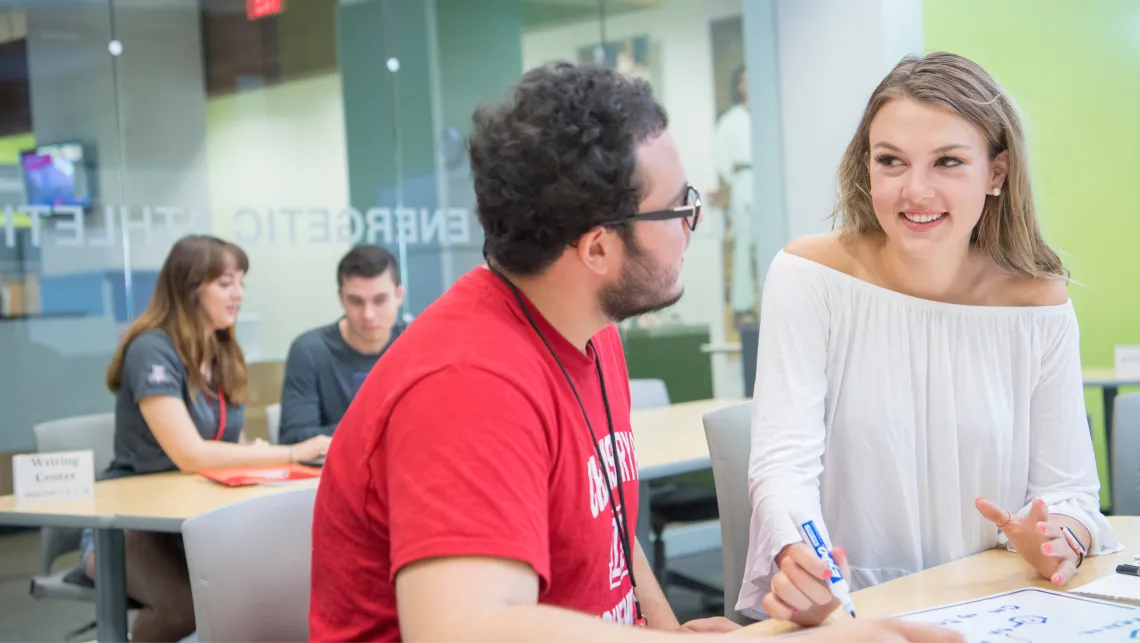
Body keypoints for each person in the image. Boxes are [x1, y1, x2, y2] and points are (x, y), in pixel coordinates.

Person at [308, 62, 959, 643]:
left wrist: (667, 626)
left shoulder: (588, 326)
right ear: (596, 248)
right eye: (677, 208)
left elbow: (607, 530)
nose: (692, 225)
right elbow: (463, 627)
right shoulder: (469, 383)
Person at [739, 51, 1120, 625]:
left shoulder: (1038, 303)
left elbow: (1069, 493)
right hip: (848, 611)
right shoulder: (808, 277)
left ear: (997, 172)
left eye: (947, 162)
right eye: (890, 161)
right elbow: (783, 469)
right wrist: (802, 559)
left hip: (993, 604)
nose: (915, 191)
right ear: (865, 167)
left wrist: (1057, 537)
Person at [81, 235, 330, 642]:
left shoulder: (221, 351)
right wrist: (290, 452)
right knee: (184, 608)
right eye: (226, 283)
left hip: (192, 517)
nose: (239, 294)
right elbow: (190, 454)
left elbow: (226, 442)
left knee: (269, 591)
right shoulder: (151, 349)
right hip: (128, 529)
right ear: (190, 287)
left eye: (242, 282)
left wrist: (254, 453)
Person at [278, 244, 405, 444]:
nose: (368, 315)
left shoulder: (417, 345)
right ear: (341, 299)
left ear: (399, 296)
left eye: (380, 300)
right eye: (356, 301)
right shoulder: (310, 352)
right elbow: (295, 438)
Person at [712, 65, 756, 329]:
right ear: (738, 86)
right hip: (743, 181)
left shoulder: (764, 114)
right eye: (744, 81)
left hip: (766, 181)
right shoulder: (730, 121)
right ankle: (742, 305)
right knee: (743, 244)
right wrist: (732, 178)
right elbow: (722, 158)